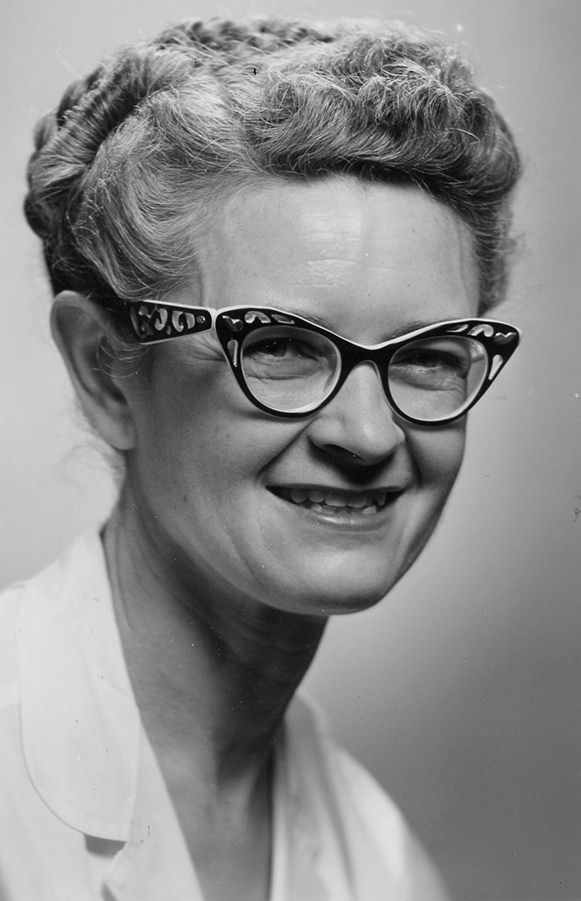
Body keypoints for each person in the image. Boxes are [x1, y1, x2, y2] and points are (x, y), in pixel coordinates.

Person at [1, 16, 521, 901]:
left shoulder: (382, 867)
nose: (367, 435)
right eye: (278, 344)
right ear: (106, 371)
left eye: (426, 355)